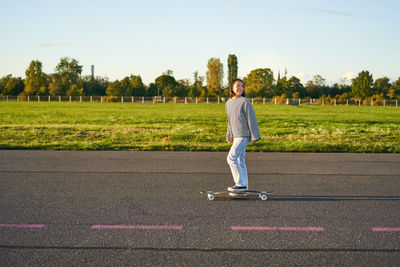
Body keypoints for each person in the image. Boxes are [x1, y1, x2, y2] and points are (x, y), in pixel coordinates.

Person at [225, 78, 260, 193]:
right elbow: (230, 121)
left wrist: (255, 135)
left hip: (244, 135)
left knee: (231, 158)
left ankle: (240, 184)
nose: (240, 88)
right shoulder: (228, 103)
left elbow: (252, 119)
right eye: (237, 86)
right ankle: (245, 189)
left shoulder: (245, 101)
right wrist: (229, 136)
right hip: (236, 136)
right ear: (232, 88)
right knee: (240, 161)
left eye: (242, 86)